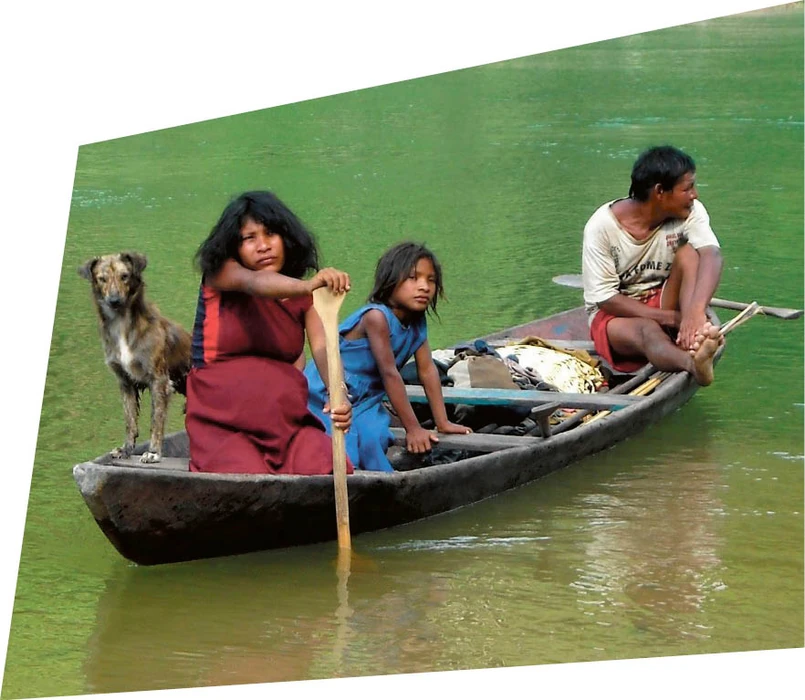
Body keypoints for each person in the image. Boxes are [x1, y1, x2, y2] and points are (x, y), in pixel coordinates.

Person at [185, 190, 353, 474]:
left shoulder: (306, 298)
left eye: (271, 234)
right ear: (235, 247)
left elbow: (322, 348)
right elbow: (255, 283)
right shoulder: (222, 273)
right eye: (249, 238)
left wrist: (338, 392)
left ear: (287, 238)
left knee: (329, 464)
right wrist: (309, 285)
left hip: (286, 423)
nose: (263, 246)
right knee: (246, 477)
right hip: (223, 423)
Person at [305, 241, 470, 472]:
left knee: (374, 437)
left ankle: (379, 484)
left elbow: (427, 370)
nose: (424, 286)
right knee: (345, 444)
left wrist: (442, 422)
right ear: (390, 281)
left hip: (367, 397)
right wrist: (413, 428)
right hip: (330, 389)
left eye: (431, 280)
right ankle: (347, 483)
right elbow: (389, 373)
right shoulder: (376, 317)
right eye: (413, 278)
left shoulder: (417, 321)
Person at [582, 145, 724, 386]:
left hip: (663, 297)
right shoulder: (601, 227)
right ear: (660, 192)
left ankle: (693, 333)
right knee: (647, 331)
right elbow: (605, 299)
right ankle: (693, 363)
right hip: (615, 315)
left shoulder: (690, 211)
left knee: (690, 252)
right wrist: (672, 318)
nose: (695, 195)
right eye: (687, 188)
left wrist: (695, 312)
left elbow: (712, 254)